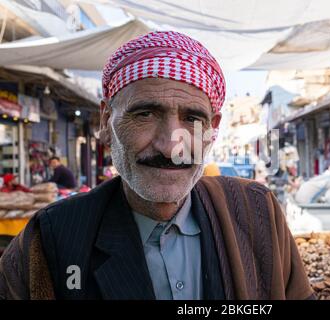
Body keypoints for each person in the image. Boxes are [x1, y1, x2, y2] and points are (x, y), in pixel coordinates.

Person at [0, 31, 313, 300]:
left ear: (212, 129)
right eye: (145, 114)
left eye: (192, 118)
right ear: (106, 122)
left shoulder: (257, 212)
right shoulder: (51, 239)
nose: (169, 146)